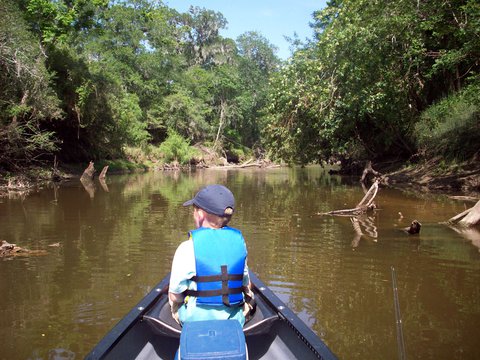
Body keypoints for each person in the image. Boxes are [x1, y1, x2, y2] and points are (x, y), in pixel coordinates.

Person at [168, 184, 254, 326]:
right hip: (234, 321)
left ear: (200, 215)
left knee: (172, 298)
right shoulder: (240, 243)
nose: (193, 214)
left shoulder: (186, 248)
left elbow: (175, 296)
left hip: (194, 321)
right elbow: (245, 283)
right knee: (248, 298)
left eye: (194, 210)